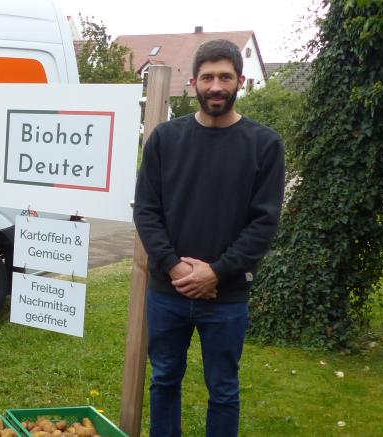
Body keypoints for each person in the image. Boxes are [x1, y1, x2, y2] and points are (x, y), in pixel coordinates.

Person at [133, 39, 285, 437]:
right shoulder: (165, 140)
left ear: (240, 81)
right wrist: (175, 265)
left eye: (225, 77)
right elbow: (147, 211)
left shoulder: (265, 144)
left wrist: (216, 272)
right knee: (164, 379)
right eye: (208, 77)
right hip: (168, 291)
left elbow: (264, 222)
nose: (216, 86)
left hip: (227, 295)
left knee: (223, 389)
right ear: (193, 81)